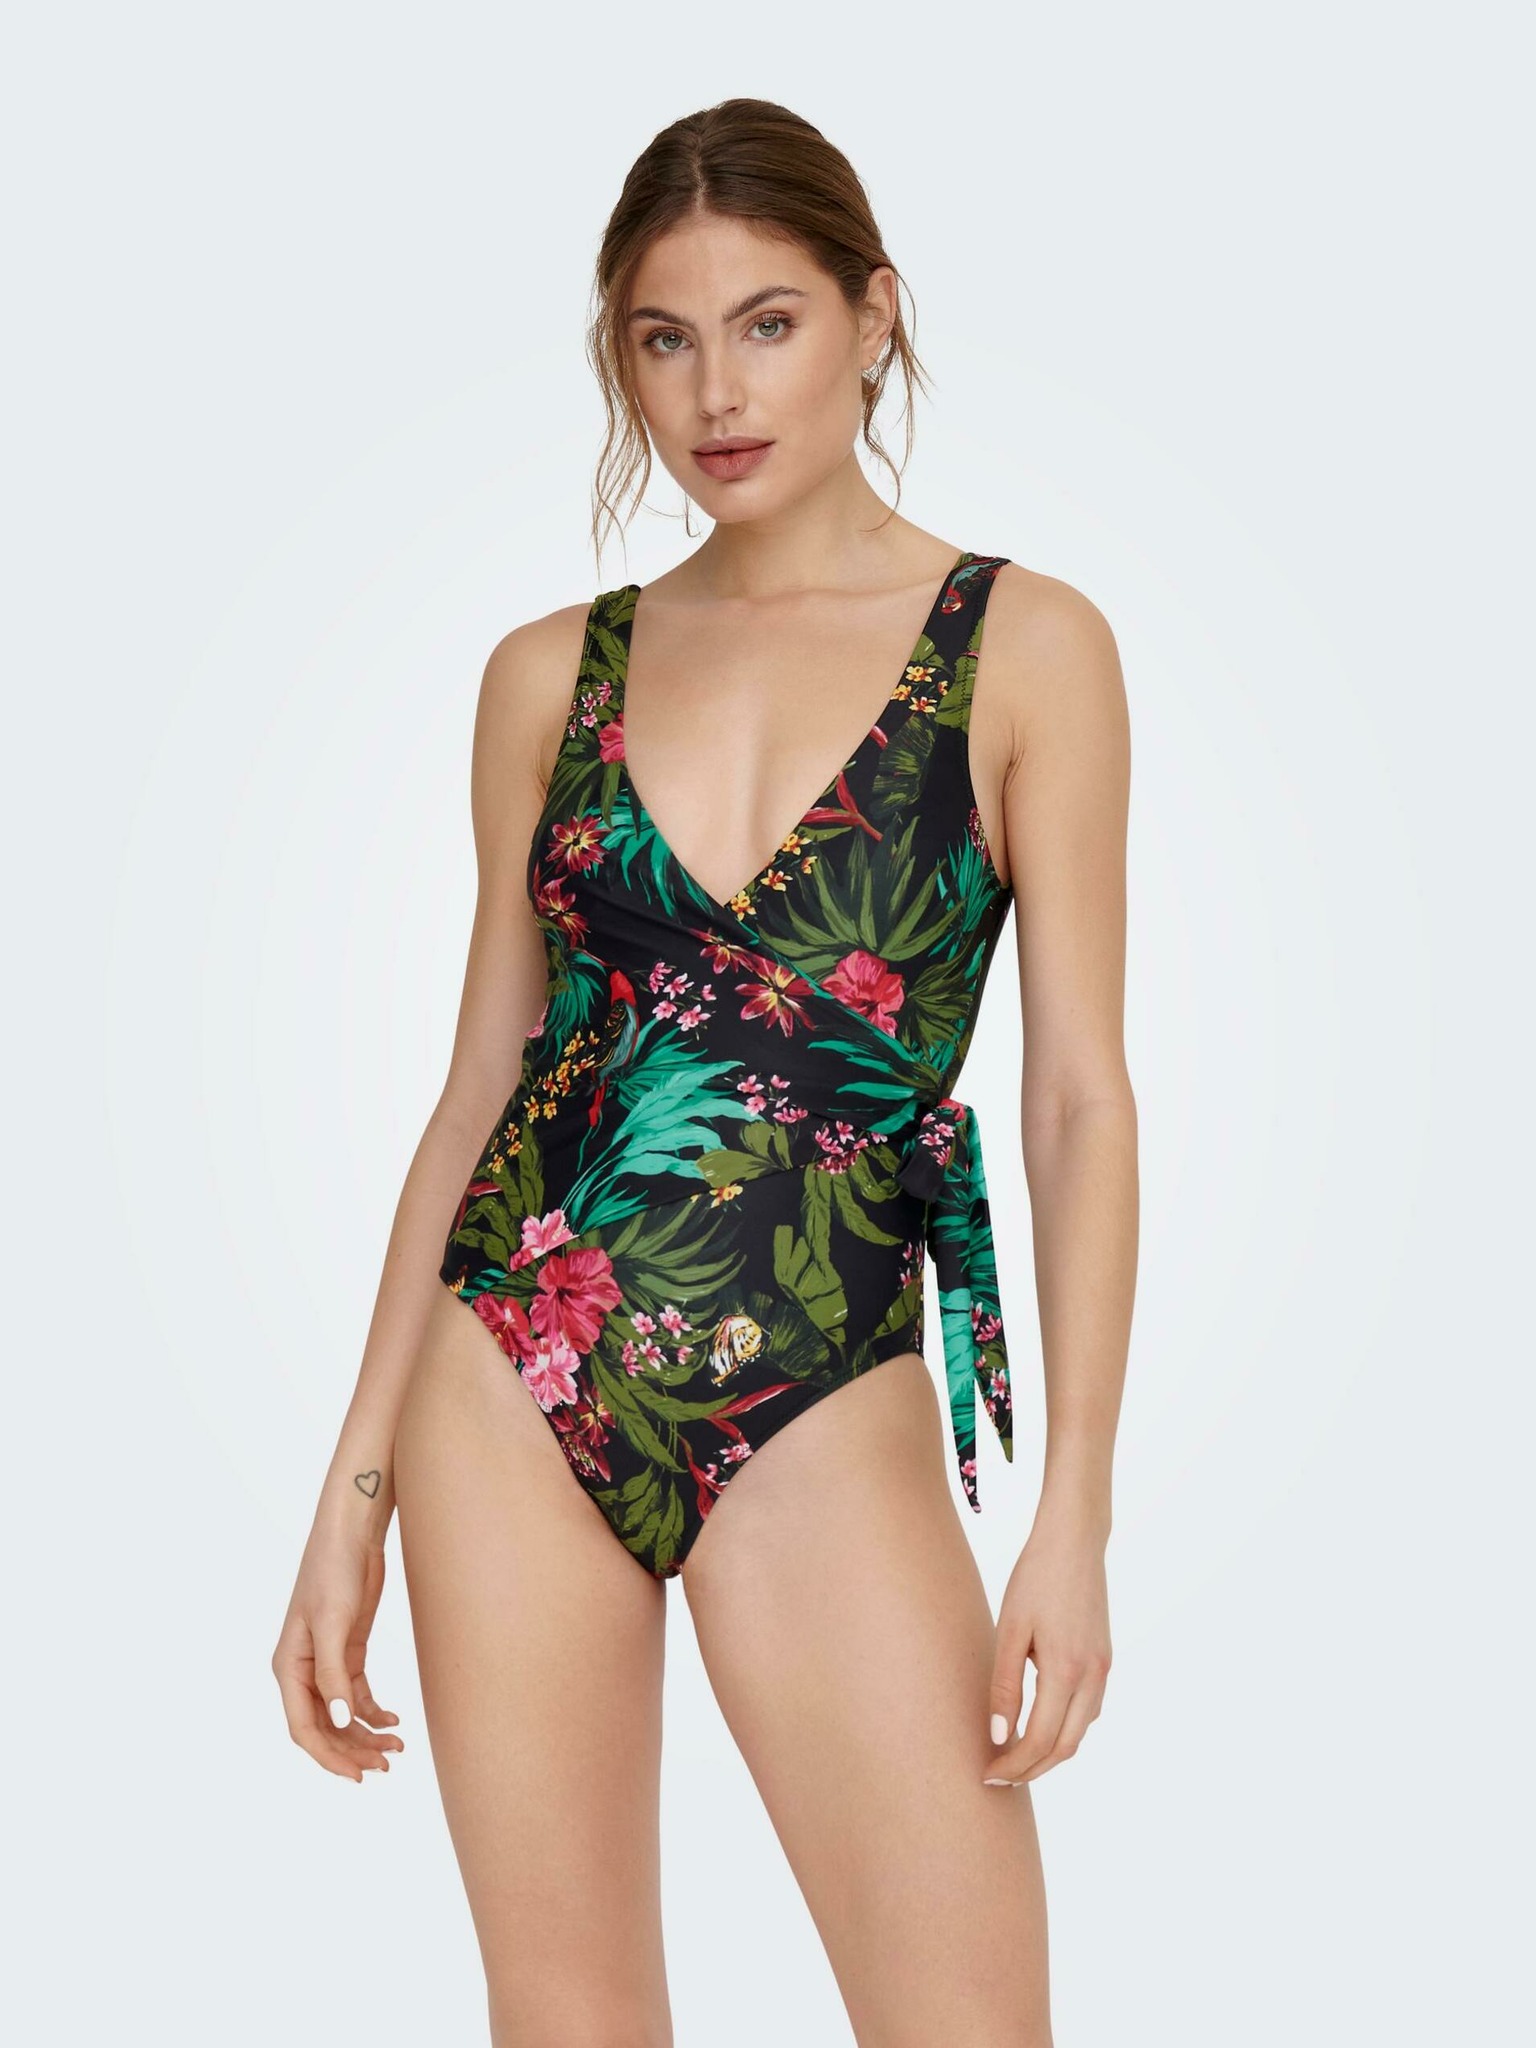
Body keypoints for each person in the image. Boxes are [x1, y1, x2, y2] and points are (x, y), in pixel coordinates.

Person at [272, 96, 1137, 2048]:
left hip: (819, 1380)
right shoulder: (547, 674)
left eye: (768, 324)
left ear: (873, 315)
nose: (714, 391)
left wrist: (1076, 1506)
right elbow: (482, 1084)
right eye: (664, 339)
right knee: (567, 2023)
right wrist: (353, 1484)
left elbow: (1082, 1098)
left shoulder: (1024, 650)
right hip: (512, 1377)